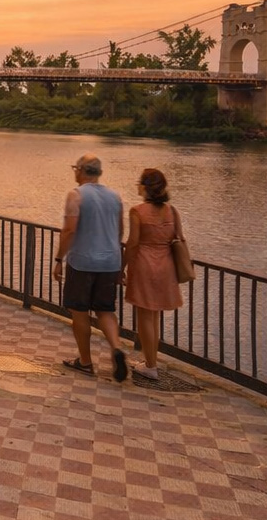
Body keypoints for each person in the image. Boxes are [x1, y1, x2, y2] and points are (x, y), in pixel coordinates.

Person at [54, 154, 129, 381]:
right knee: (105, 309)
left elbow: (69, 230)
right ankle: (116, 347)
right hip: (110, 261)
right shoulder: (115, 197)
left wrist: (59, 260)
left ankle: (85, 361)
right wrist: (119, 264)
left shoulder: (76, 196)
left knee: (79, 311)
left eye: (75, 169)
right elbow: (119, 232)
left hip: (83, 262)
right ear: (100, 173)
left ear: (79, 171)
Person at [123, 169, 187, 381]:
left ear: (145, 187)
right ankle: (151, 362)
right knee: (154, 317)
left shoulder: (137, 211)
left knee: (144, 318)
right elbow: (179, 238)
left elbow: (133, 243)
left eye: (139, 183)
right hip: (165, 267)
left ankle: (150, 366)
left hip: (144, 265)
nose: (137, 186)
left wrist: (121, 266)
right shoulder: (172, 211)